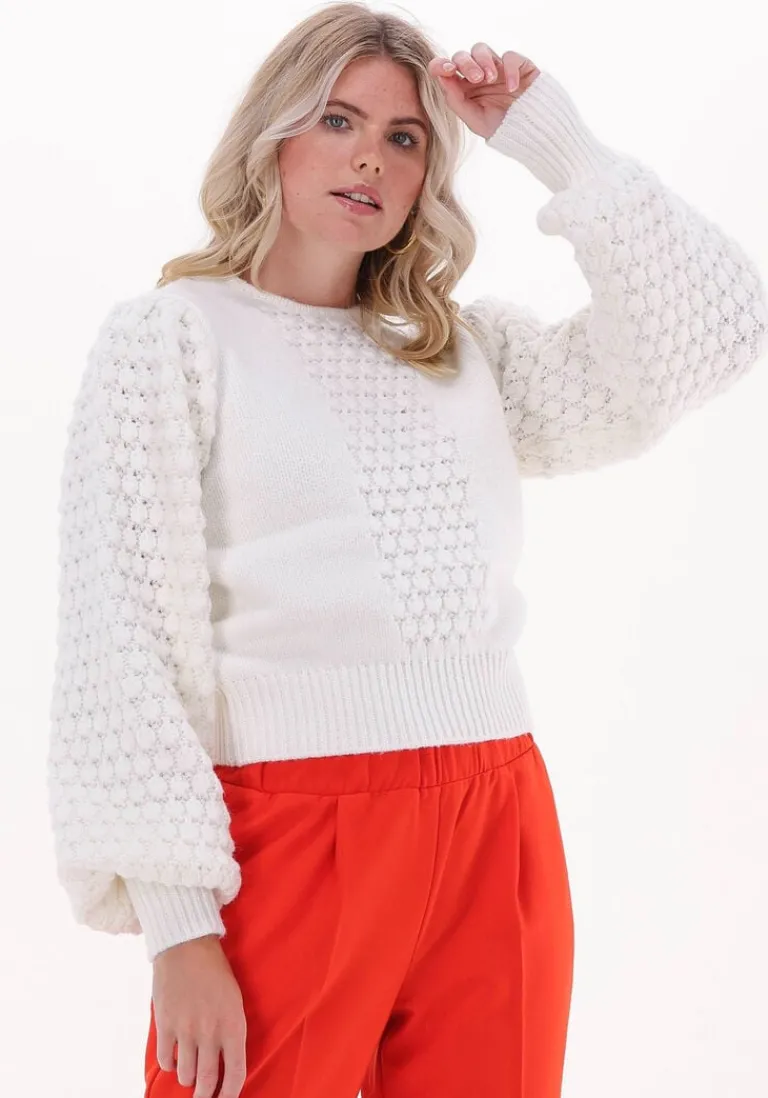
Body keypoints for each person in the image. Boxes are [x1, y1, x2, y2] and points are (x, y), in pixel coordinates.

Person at [46, 3, 767, 1098]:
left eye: (405, 137)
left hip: (496, 820)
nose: (370, 159)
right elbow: (122, 635)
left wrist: (552, 139)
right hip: (290, 833)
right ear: (273, 133)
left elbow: (717, 327)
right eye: (338, 120)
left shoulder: (460, 352)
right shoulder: (175, 337)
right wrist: (177, 926)